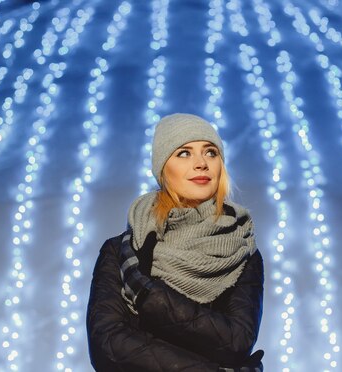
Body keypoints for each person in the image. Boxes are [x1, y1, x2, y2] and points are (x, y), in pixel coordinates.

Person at [86, 113, 265, 371]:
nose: (201, 163)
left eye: (211, 152)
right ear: (163, 168)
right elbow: (108, 346)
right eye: (184, 153)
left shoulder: (242, 247)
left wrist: (149, 296)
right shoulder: (122, 250)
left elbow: (236, 342)